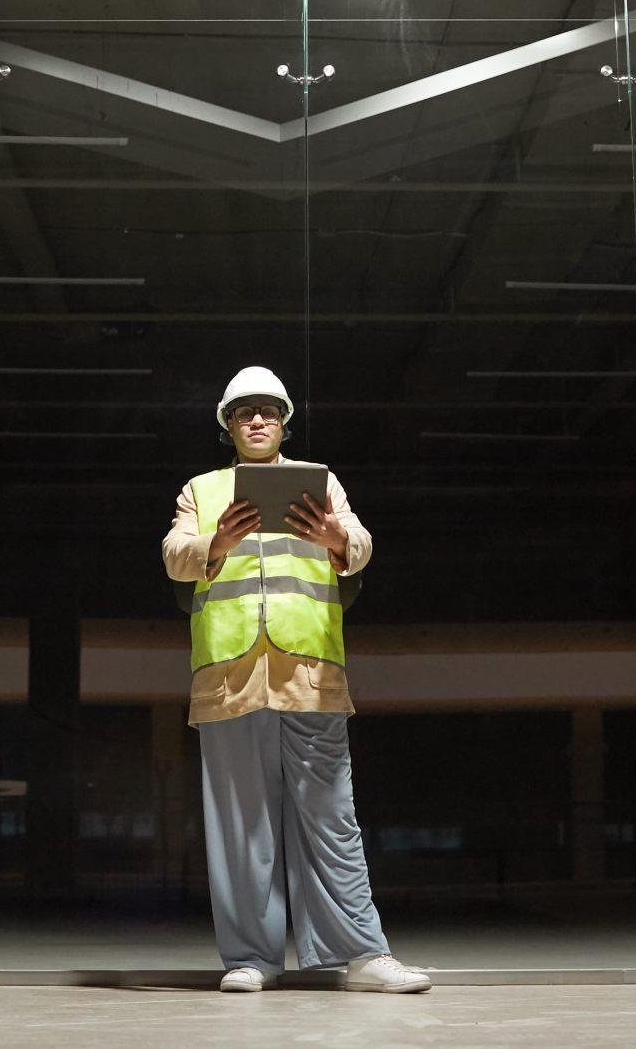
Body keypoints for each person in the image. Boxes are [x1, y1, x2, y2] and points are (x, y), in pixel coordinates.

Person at [160, 365, 432, 995]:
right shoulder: (201, 490)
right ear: (229, 425)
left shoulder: (321, 482)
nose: (258, 420)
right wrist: (214, 543)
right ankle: (251, 958)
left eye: (269, 410)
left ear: (283, 421)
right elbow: (174, 556)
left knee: (332, 816)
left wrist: (341, 538)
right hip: (229, 678)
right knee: (240, 826)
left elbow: (359, 542)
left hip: (309, 673)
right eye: (245, 411)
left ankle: (363, 955)